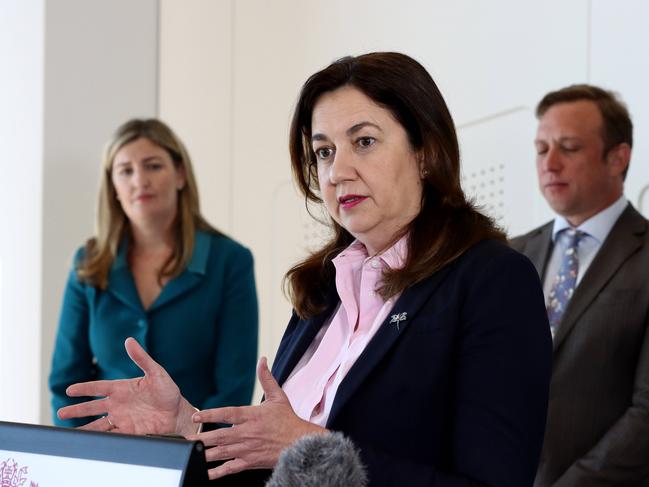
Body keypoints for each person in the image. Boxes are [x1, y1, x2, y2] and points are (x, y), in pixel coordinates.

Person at [58, 53, 552, 486]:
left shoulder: (492, 280)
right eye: (324, 151)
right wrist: (187, 426)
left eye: (364, 141)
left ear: (425, 152)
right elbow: (262, 459)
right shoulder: (322, 290)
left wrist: (313, 448)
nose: (337, 172)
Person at [49, 118, 259, 427]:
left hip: (195, 454)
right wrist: (92, 448)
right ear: (114, 188)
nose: (139, 181)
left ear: (180, 175)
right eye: (126, 171)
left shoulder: (230, 261)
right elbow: (66, 383)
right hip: (104, 453)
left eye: (153, 166)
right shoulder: (88, 262)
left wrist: (191, 447)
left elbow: (233, 387)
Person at [510, 84, 649, 486]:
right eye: (541, 149)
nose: (549, 164)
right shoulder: (507, 257)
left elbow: (646, 413)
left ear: (618, 158)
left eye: (568, 147)